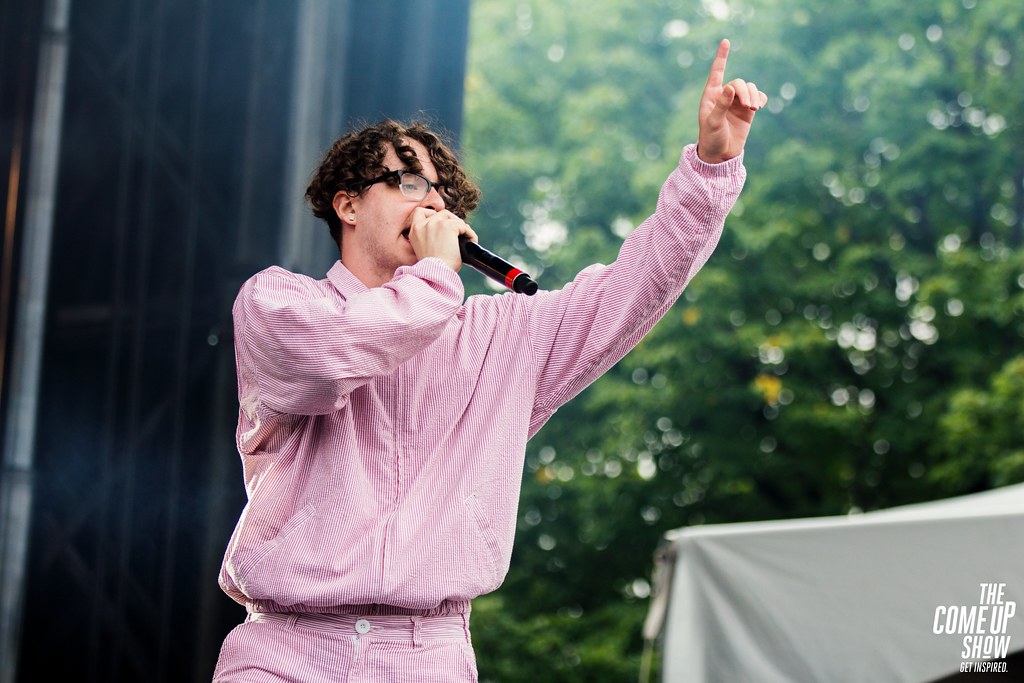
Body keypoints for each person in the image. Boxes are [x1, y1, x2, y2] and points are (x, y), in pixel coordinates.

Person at [213, 38, 767, 682]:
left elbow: (633, 287)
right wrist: (436, 279)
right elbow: (332, 357)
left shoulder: (500, 338)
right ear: (348, 203)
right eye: (411, 182)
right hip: (290, 651)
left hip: (430, 654)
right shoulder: (278, 303)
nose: (434, 206)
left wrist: (709, 170)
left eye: (444, 196)